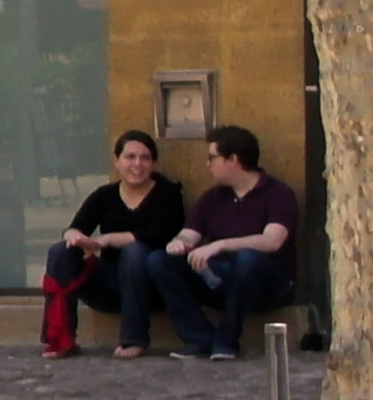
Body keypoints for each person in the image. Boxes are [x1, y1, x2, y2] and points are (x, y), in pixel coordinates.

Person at [156, 127, 301, 360]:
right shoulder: (212, 197)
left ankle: (226, 340)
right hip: (219, 278)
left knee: (248, 259)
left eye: (212, 158)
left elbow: (273, 241)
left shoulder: (278, 194)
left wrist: (220, 245)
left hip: (269, 284)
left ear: (233, 159)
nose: (207, 164)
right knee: (159, 261)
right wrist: (179, 243)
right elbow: (189, 235)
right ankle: (198, 338)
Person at [42, 132, 183, 359]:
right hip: (109, 284)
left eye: (145, 158)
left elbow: (158, 235)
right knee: (60, 251)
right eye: (130, 157)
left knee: (135, 251)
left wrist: (105, 240)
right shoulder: (104, 195)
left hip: (151, 285)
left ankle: (133, 338)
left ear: (154, 163)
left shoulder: (168, 196)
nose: (137, 164)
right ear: (116, 161)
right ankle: (61, 340)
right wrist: (76, 238)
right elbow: (75, 227)